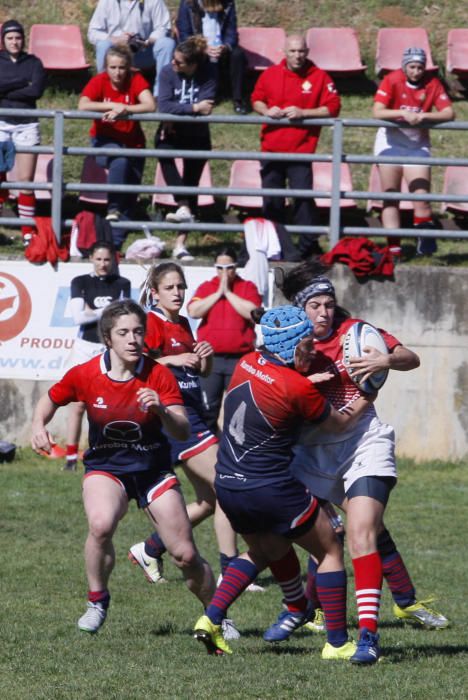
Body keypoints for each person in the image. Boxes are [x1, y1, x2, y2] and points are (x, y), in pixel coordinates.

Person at [276, 264, 447, 664]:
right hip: (311, 453)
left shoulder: (355, 331)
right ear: (300, 310)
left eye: (329, 304)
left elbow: (411, 357)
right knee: (310, 540)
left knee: (361, 534)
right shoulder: (286, 341)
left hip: (363, 443)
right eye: (315, 305)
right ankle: (300, 608)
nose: (324, 312)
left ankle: (368, 635)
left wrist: (386, 359)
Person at [193, 305, 376, 658]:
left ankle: (211, 619)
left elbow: (273, 389)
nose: (312, 350)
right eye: (307, 344)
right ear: (290, 346)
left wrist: (304, 383)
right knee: (330, 550)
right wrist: (367, 395)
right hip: (271, 488)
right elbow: (338, 424)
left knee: (261, 551)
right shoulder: (296, 386)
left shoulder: (247, 362)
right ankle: (337, 643)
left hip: (229, 485)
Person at [31, 299, 215, 634]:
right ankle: (97, 599)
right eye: (124, 332)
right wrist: (37, 425)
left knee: (185, 555)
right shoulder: (87, 374)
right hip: (107, 468)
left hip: (153, 471)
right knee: (100, 525)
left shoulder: (158, 374)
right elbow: (51, 398)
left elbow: (183, 430)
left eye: (138, 332)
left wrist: (161, 410)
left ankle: (216, 615)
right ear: (108, 339)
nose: (133, 339)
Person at [127, 263, 238, 610]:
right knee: (228, 485)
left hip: (193, 411)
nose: (178, 292)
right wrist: (177, 357)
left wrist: (204, 358)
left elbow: (196, 369)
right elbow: (143, 365)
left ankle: (150, 548)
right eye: (170, 287)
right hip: (176, 415)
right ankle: (232, 573)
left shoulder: (184, 324)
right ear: (155, 292)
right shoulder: (152, 323)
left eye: (181, 286)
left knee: (208, 500)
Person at [251, 33, 341, 259]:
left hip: (301, 150)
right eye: (292, 51)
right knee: (272, 200)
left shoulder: (319, 77)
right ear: (284, 52)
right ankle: (274, 247)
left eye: (301, 51)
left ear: (307, 52)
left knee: (302, 199)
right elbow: (256, 99)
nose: (297, 55)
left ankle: (308, 246)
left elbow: (333, 108)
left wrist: (304, 113)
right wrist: (265, 110)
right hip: (271, 148)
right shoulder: (270, 74)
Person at [372, 47, 454, 257]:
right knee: (391, 196)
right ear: (404, 66)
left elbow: (449, 112)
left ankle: (425, 247)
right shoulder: (392, 79)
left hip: (417, 145)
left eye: (420, 67)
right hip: (391, 144)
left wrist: (425, 117)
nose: (417, 72)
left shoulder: (432, 83)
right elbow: (377, 111)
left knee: (421, 197)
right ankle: (394, 249)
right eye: (412, 67)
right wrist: (402, 113)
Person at [78, 45, 155, 246]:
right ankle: (112, 208)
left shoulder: (135, 79)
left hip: (134, 142)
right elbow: (83, 104)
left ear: (128, 67)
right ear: (106, 67)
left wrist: (126, 110)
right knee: (119, 159)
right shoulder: (99, 81)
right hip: (104, 141)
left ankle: (115, 244)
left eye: (122, 67)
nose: (117, 72)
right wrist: (112, 105)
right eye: (112, 67)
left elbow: (150, 104)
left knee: (130, 196)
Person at [64, 241, 131, 471]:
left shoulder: (122, 283)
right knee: (79, 405)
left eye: (107, 259)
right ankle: (71, 457)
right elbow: (78, 318)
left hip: (108, 349)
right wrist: (107, 310)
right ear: (91, 258)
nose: (103, 264)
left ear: (114, 260)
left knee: (107, 404)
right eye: (98, 259)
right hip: (84, 346)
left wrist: (92, 311)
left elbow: (121, 318)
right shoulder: (80, 282)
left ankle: (106, 452)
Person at [187, 247, 262, 434]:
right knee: (207, 407)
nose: (224, 272)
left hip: (240, 358)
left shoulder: (247, 287)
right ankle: (208, 446)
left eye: (229, 267)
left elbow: (253, 313)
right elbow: (193, 311)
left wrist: (228, 293)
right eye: (219, 268)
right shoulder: (207, 287)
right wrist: (217, 293)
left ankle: (235, 448)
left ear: (236, 267)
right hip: (210, 359)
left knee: (240, 407)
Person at [156, 35, 216, 260]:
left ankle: (181, 244)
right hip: (170, 132)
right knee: (163, 154)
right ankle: (182, 205)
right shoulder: (166, 73)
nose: (174, 64)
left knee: (192, 183)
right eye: (174, 59)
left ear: (193, 65)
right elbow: (163, 104)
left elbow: (207, 107)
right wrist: (192, 108)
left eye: (179, 62)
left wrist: (179, 110)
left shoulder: (208, 74)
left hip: (197, 135)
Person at [0, 20, 46, 245]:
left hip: (26, 124)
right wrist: (20, 83)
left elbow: (35, 91)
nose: (14, 42)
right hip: (1, 123)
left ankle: (27, 230)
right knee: (0, 174)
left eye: (18, 37)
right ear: (3, 40)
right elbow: (24, 88)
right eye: (10, 38)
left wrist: (6, 90)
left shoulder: (34, 62)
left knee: (25, 181)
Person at [87, 0, 175, 97]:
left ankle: (161, 95)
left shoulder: (154, 1)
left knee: (167, 43)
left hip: (144, 50)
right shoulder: (107, 2)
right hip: (117, 52)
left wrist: (148, 40)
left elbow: (164, 27)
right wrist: (115, 40)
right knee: (103, 45)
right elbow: (93, 32)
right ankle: (105, 90)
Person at [176, 0, 248, 113]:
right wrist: (203, 48)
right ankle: (205, 94)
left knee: (237, 55)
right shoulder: (187, 3)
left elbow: (231, 32)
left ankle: (237, 99)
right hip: (198, 46)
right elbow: (184, 33)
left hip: (221, 46)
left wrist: (225, 46)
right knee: (192, 55)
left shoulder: (228, 3)